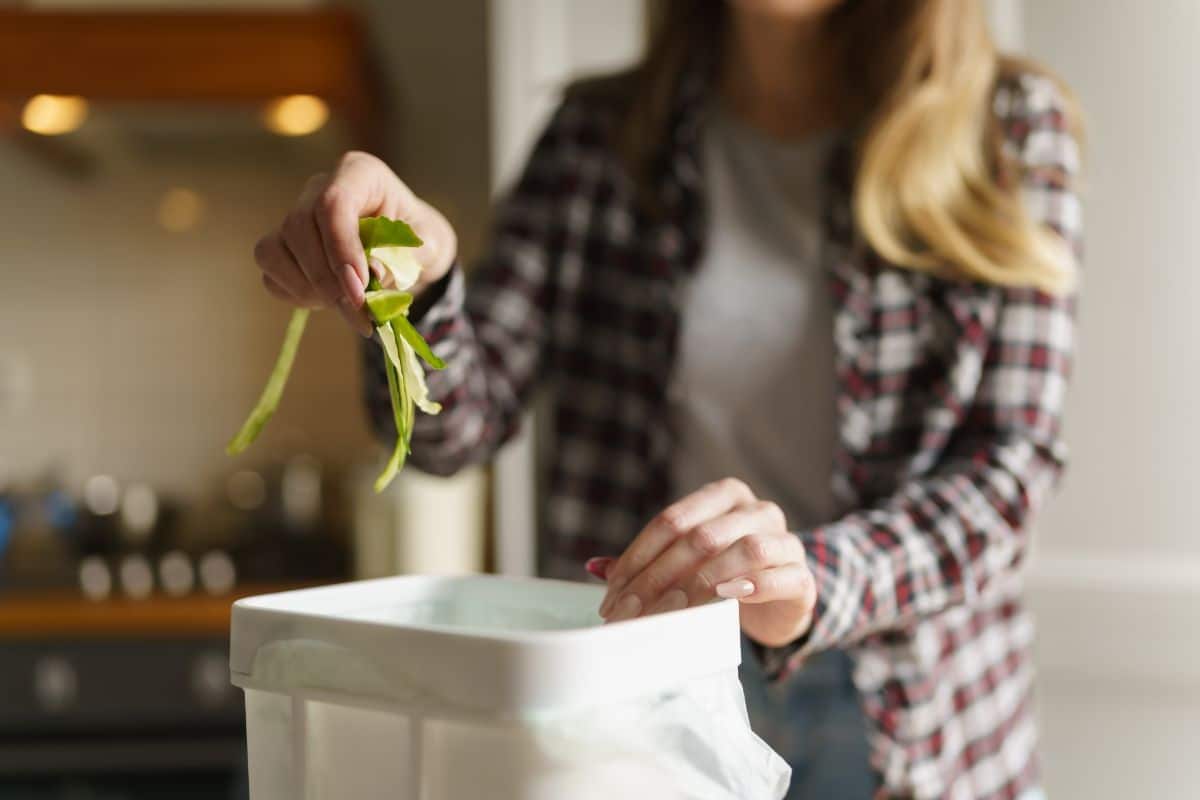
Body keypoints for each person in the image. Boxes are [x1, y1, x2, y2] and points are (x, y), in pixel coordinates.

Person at [251, 0, 1081, 796]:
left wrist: (812, 582)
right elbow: (453, 430)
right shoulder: (597, 135)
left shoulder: (1008, 128)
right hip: (636, 697)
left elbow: (1010, 470)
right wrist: (415, 285)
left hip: (912, 712)